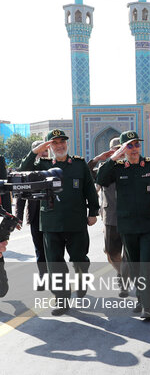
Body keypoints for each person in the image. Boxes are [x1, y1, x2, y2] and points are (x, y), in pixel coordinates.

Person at [18, 129, 99, 316]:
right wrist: (36, 150)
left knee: (79, 259)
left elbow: (89, 189)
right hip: (51, 223)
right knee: (55, 263)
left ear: (67, 144)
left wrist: (93, 212)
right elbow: (22, 170)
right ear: (49, 146)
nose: (59, 145)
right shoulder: (43, 165)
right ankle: (62, 299)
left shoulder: (79, 164)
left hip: (76, 221)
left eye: (62, 142)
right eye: (54, 143)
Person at [97, 130, 150, 321]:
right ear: (123, 149)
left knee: (146, 263)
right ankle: (140, 297)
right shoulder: (118, 168)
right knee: (135, 266)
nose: (134, 148)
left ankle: (147, 305)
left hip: (148, 225)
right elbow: (101, 179)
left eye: (137, 144)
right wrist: (114, 157)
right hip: (128, 226)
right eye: (129, 145)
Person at [88, 137, 130, 297]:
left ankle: (123, 280)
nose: (119, 152)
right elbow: (86, 172)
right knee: (111, 252)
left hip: (129, 216)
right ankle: (122, 272)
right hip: (110, 216)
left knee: (129, 252)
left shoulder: (131, 166)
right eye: (115, 149)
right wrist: (99, 159)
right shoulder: (103, 169)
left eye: (122, 149)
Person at [15, 140, 49, 290]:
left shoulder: (56, 167)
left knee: (54, 249)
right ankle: (43, 277)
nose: (44, 152)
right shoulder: (29, 171)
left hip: (54, 215)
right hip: (36, 215)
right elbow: (21, 195)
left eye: (46, 149)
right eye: (40, 150)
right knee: (40, 249)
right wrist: (18, 217)